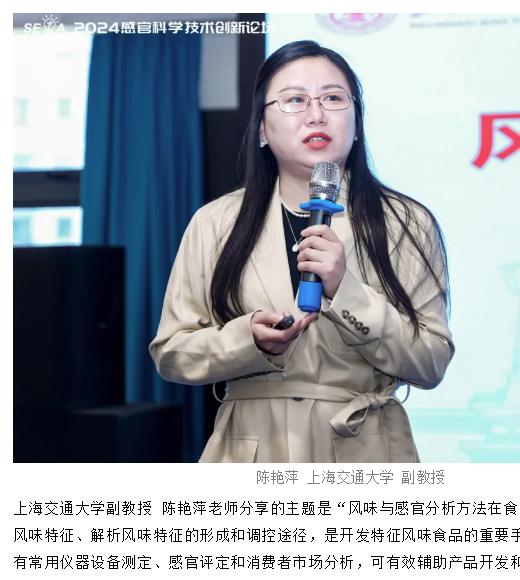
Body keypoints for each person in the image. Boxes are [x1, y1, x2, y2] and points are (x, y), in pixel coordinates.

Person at [149, 40, 455, 462]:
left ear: (357, 122)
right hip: (252, 450)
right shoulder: (215, 223)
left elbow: (431, 362)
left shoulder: (405, 223)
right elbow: (172, 354)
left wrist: (345, 291)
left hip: (364, 450)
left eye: (333, 98)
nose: (316, 114)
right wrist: (247, 340)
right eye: (294, 100)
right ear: (261, 129)